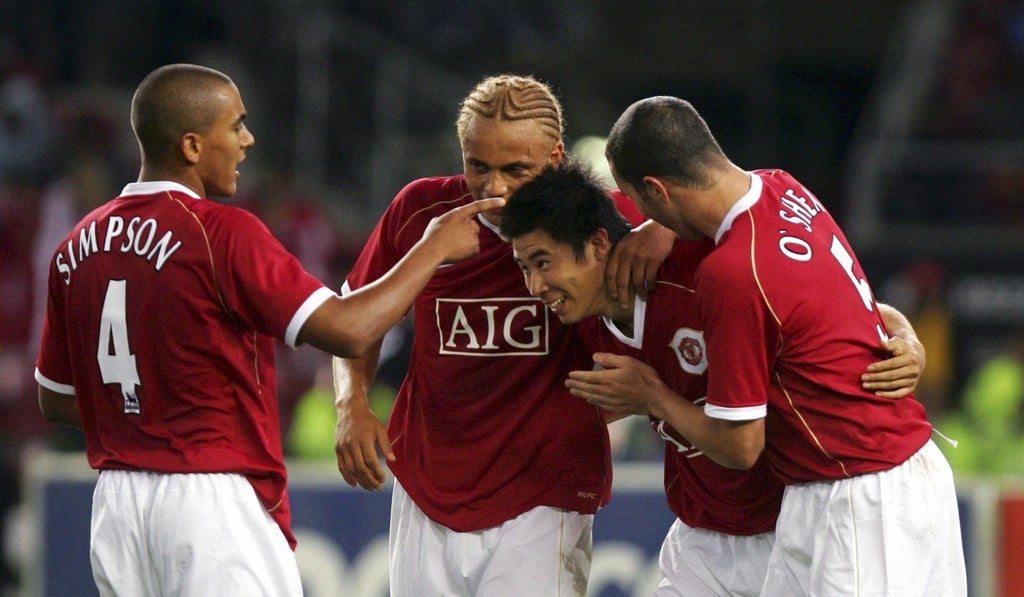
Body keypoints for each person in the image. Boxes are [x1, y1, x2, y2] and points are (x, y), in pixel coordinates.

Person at [33, 63, 502, 597]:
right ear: (191, 145)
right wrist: (433, 247)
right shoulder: (220, 233)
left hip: (116, 506)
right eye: (235, 127)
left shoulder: (77, 244)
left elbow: (56, 397)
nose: (248, 140)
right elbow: (349, 330)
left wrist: (148, 418)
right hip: (210, 502)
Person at [580, 95, 968, 596]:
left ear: (656, 189)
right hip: (873, 478)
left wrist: (652, 396)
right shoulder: (786, 188)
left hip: (858, 492)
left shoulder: (733, 273)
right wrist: (907, 334)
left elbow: (739, 446)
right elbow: (843, 307)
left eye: (640, 201)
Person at [500, 161, 929, 596]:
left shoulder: (702, 272)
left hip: (790, 529)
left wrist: (907, 337)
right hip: (702, 538)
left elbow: (818, 293)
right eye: (525, 268)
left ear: (597, 244)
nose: (535, 286)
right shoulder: (578, 315)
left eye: (542, 263)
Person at [332, 74, 669, 596]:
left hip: (545, 492)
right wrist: (351, 401)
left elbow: (706, 222)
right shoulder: (420, 213)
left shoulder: (602, 219)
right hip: (427, 485)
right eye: (477, 166)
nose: (494, 187)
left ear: (557, 157)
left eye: (517, 169)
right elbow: (355, 314)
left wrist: (664, 228)